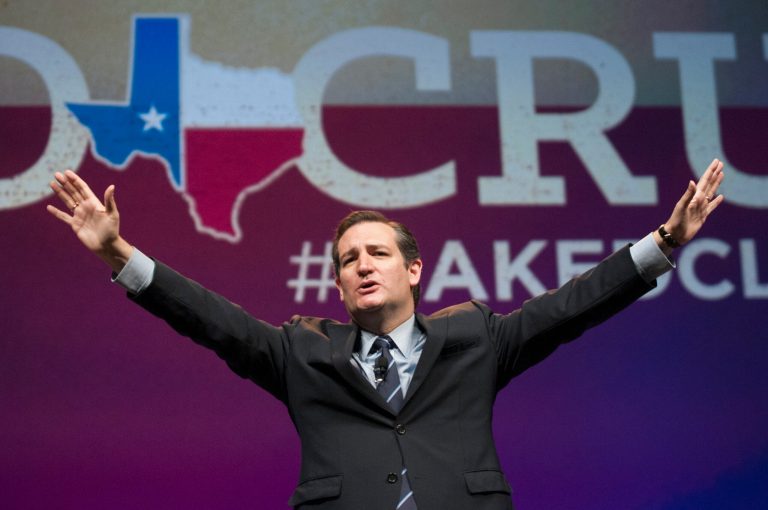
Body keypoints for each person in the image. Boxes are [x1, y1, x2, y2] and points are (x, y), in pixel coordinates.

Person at [47, 160, 725, 510]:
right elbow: (211, 320)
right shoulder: (300, 352)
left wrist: (665, 240)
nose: (362, 265)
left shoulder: (476, 338)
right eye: (348, 260)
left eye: (376, 253)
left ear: (413, 269)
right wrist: (118, 255)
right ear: (337, 287)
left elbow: (575, 304)